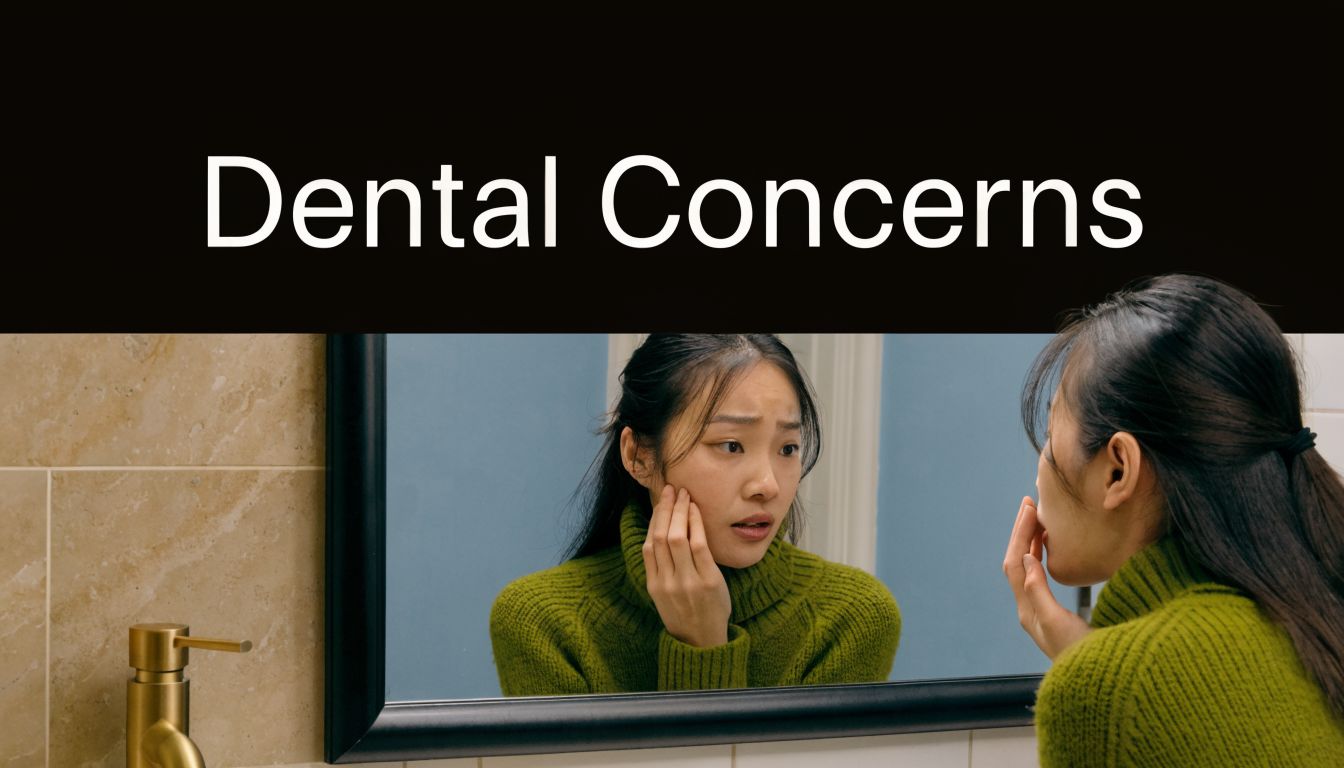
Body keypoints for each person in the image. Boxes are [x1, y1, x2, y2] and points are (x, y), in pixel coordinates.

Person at [1003, 274, 1344, 766]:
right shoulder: (1311, 625)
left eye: (1051, 433)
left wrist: (1100, 678)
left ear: (1118, 468)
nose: (1040, 469)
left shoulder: (1114, 695)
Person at [490, 334, 900, 695]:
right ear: (639, 456)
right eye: (731, 446)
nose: (769, 485)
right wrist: (700, 646)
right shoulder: (543, 621)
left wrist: (706, 643)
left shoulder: (853, 617)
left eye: (788, 448)